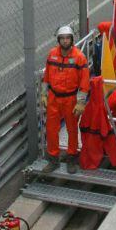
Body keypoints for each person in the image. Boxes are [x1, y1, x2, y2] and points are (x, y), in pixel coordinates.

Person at [41, 25, 89, 174]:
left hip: (70, 99)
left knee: (72, 129)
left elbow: (84, 82)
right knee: (51, 129)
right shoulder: (52, 55)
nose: (65, 41)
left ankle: (71, 158)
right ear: (59, 40)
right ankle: (53, 159)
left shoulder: (79, 57)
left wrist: (81, 102)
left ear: (72, 40)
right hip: (54, 98)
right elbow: (46, 77)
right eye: (62, 39)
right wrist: (44, 94)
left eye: (67, 38)